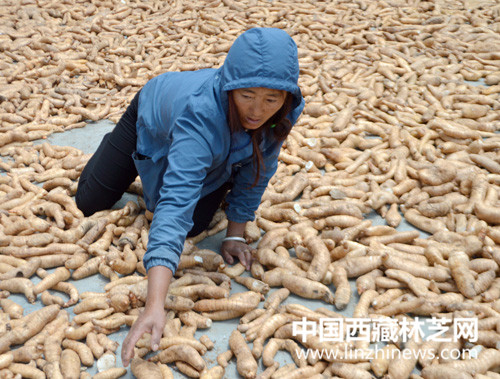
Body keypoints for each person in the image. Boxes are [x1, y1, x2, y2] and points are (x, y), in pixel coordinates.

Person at [75, 27, 304, 367]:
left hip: (206, 140)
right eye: (247, 96)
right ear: (230, 88)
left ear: (286, 97)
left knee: (195, 226)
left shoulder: (282, 113)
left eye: (271, 99)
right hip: (150, 115)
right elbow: (174, 204)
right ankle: (128, 153)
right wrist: (155, 305)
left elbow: (262, 168)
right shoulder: (201, 115)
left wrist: (236, 234)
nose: (257, 110)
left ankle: (218, 164)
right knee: (88, 202)